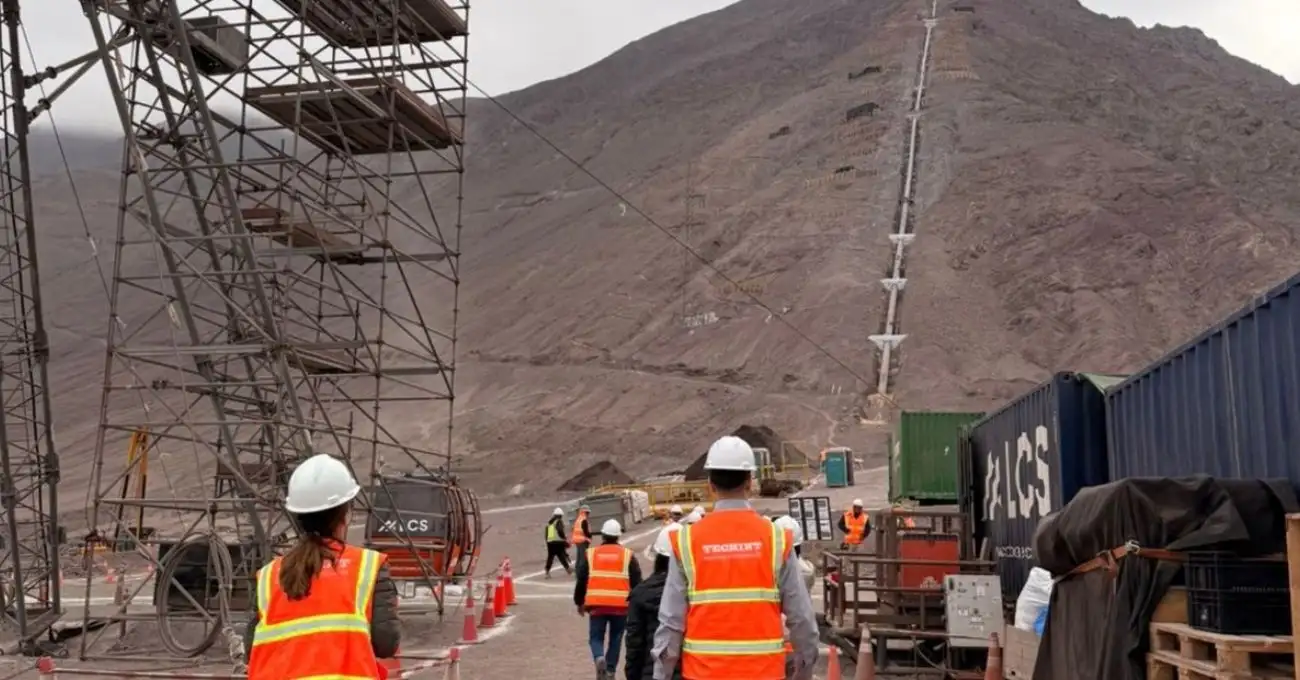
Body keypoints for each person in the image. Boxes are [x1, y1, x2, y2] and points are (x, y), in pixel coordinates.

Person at [652, 436, 818, 680]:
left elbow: (670, 624)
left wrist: (661, 675)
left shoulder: (687, 541)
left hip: (703, 674)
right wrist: (803, 672)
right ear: (750, 482)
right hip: (764, 674)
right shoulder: (777, 539)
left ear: (710, 484)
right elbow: (802, 619)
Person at [243, 454, 401, 678]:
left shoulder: (268, 576)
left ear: (297, 516)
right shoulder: (367, 567)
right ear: (346, 513)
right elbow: (386, 643)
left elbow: (252, 650)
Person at [576, 519, 642, 680]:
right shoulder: (628, 555)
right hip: (620, 606)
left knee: (596, 637)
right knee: (616, 637)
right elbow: (637, 581)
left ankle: (599, 657)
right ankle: (610, 670)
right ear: (618, 536)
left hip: (597, 605)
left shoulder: (591, 554)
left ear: (603, 536)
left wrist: (579, 601)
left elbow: (582, 578)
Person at [625, 527, 682, 680]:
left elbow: (634, 643)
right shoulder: (695, 592)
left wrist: (632, 675)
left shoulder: (641, 593)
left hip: (652, 672)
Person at [546, 507, 574, 578]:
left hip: (550, 543)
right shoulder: (559, 521)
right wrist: (564, 538)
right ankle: (568, 569)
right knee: (561, 556)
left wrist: (548, 542)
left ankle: (547, 571)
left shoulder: (550, 522)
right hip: (558, 542)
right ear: (560, 515)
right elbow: (560, 531)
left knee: (550, 557)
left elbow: (547, 534)